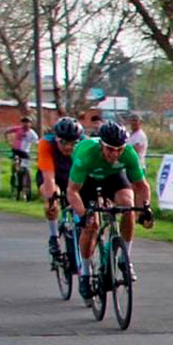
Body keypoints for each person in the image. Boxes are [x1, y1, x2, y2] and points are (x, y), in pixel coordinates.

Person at [66, 121, 154, 300]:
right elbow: (72, 191)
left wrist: (145, 209)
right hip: (88, 181)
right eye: (110, 149)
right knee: (91, 226)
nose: (115, 154)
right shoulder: (86, 153)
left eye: (119, 149)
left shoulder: (128, 154)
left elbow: (141, 186)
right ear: (101, 145)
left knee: (128, 207)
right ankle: (84, 273)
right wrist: (83, 215)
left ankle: (124, 259)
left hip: (113, 178)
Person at [36, 117, 84, 256]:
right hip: (52, 174)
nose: (68, 147)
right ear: (56, 139)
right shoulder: (46, 143)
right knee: (51, 198)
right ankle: (54, 236)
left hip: (73, 175)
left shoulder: (84, 145)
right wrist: (51, 199)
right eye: (63, 142)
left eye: (72, 143)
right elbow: (49, 178)